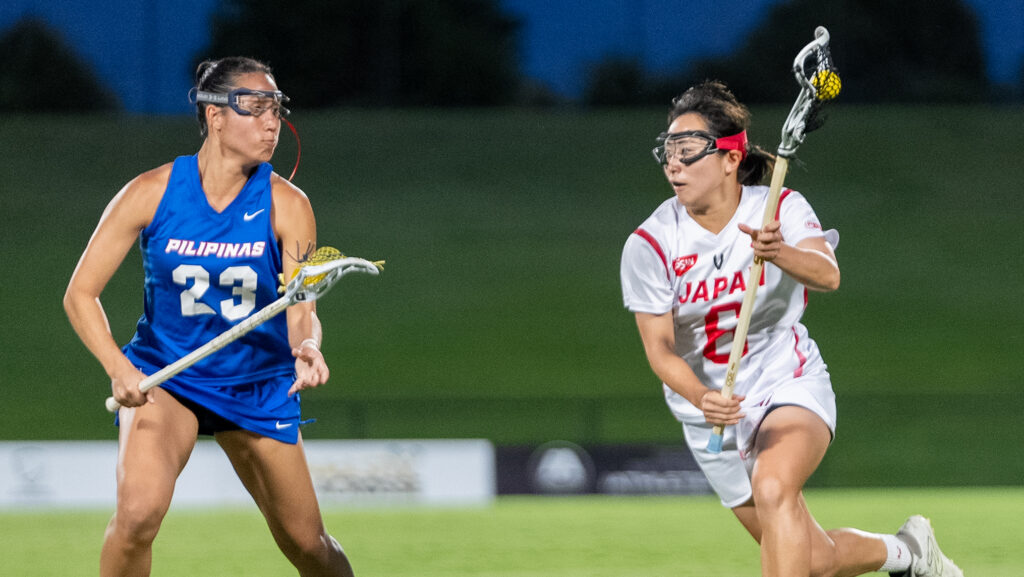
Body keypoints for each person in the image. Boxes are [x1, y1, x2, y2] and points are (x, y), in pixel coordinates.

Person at [619, 80, 963, 577]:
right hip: (708, 415)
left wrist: (779, 252)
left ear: (730, 158)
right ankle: (910, 551)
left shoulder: (780, 208)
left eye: (688, 149)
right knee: (812, 559)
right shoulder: (650, 244)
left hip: (785, 380)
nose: (674, 164)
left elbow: (828, 275)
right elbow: (660, 350)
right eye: (668, 151)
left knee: (774, 486)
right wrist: (702, 398)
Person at [64, 56, 355, 577]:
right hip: (168, 377)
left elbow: (301, 308)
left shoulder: (289, 205)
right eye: (256, 108)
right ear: (214, 115)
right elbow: (80, 294)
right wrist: (118, 367)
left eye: (276, 110)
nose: (272, 123)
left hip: (258, 384)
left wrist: (308, 346)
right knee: (136, 517)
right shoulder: (150, 192)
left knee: (309, 546)